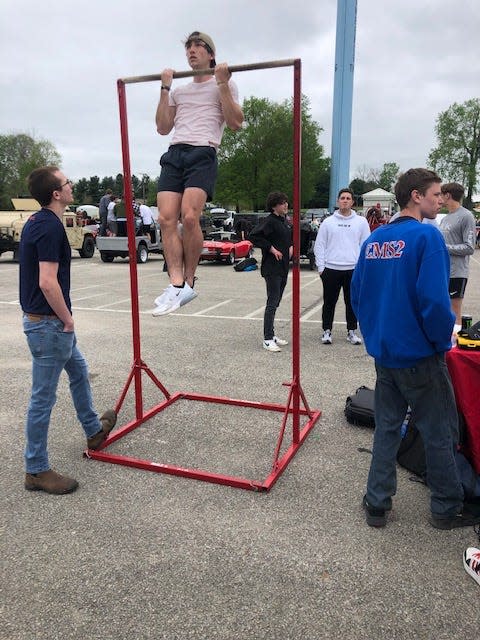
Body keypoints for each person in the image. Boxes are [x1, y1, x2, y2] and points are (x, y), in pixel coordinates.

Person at [351, 167, 480, 530]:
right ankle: (447, 506)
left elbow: (358, 296)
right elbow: (435, 302)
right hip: (420, 356)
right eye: (436, 194)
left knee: (388, 428)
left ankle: (376, 503)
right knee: (440, 432)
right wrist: (442, 342)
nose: (441, 201)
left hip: (386, 354)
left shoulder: (374, 241)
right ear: (416, 196)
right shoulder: (427, 238)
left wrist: (376, 336)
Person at [19, 166, 117, 495]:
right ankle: (36, 469)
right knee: (42, 399)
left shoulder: (39, 221)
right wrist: (68, 319)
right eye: (66, 182)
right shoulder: (48, 227)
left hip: (49, 323)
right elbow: (47, 282)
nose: (72, 184)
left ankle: (93, 429)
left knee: (79, 371)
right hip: (49, 325)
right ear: (57, 194)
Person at [152, 31, 244, 316]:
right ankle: (175, 282)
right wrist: (164, 88)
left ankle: (189, 280)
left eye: (198, 46)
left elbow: (235, 123)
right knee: (166, 218)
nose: (191, 51)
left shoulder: (224, 85)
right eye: (188, 47)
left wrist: (223, 84)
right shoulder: (179, 91)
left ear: (211, 54)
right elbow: (162, 127)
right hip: (176, 151)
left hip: (202, 151)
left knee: (190, 217)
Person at [313, 188, 370, 345]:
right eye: (342, 198)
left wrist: (363, 268)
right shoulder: (328, 222)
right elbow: (320, 245)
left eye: (348, 198)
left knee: (351, 302)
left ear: (352, 202)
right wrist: (321, 267)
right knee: (329, 302)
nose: (345, 200)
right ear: (338, 201)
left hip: (353, 269)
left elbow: (366, 245)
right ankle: (327, 331)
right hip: (331, 269)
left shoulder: (361, 222)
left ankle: (351, 331)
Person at [249, 192, 292, 352]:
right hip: (272, 269)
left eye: (286, 202)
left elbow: (287, 238)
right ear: (274, 206)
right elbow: (253, 236)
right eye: (282, 203)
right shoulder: (269, 221)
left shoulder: (284, 222)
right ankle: (267, 339)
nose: (286, 205)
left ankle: (272, 334)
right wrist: (271, 248)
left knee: (277, 301)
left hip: (283, 268)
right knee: (272, 303)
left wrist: (291, 246)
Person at [439, 182, 477, 332]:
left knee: (454, 313)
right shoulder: (445, 218)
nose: (438, 198)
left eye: (440, 194)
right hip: (443, 271)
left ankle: (455, 346)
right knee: (443, 310)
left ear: (447, 195)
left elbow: (469, 247)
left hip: (458, 272)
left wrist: (444, 248)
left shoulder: (466, 216)